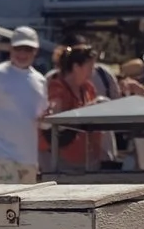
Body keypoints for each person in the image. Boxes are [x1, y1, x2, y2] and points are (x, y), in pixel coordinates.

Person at [0, 27, 47, 182]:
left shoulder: (40, 80)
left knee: (25, 203)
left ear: (36, 51)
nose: (22, 54)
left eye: (28, 49)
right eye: (18, 48)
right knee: (8, 200)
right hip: (1, 154)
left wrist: (47, 119)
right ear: (10, 49)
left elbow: (42, 121)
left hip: (29, 158)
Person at [42, 44, 102, 172]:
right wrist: (87, 110)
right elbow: (54, 116)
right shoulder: (57, 87)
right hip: (62, 159)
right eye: (89, 67)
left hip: (87, 158)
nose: (93, 72)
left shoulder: (88, 88)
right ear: (76, 67)